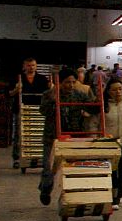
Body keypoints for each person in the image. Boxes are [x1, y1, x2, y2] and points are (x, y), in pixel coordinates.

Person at [38, 67, 95, 206]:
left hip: (73, 136)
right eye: (67, 82)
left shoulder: (79, 95)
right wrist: (52, 100)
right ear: (59, 82)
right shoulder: (49, 94)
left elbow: (92, 108)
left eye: (73, 82)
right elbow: (43, 111)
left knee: (72, 168)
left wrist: (99, 99)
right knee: (49, 168)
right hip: (52, 137)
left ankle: (71, 197)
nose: (70, 85)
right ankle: (45, 189)